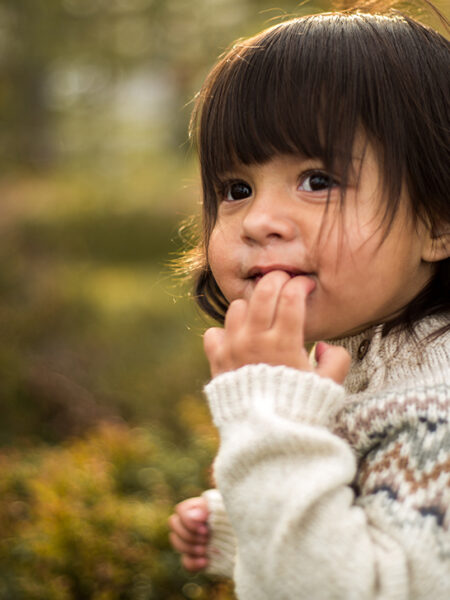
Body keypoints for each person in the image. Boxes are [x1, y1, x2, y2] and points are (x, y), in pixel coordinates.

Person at [169, 4, 450, 599]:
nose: (261, 220)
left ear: (438, 220)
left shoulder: (437, 406)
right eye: (236, 190)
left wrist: (268, 420)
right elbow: (369, 523)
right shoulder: (367, 356)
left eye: (317, 181)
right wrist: (240, 521)